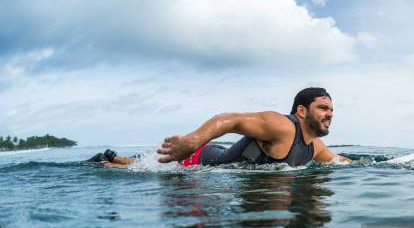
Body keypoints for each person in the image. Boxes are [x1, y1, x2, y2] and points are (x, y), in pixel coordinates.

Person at [93, 87, 351, 168]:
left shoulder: (315, 146)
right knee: (138, 168)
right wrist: (192, 141)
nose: (329, 114)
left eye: (331, 110)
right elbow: (231, 119)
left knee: (140, 164)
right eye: (323, 108)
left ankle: (111, 158)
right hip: (198, 157)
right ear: (302, 111)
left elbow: (338, 160)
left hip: (217, 152)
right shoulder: (282, 125)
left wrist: (386, 162)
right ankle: (107, 160)